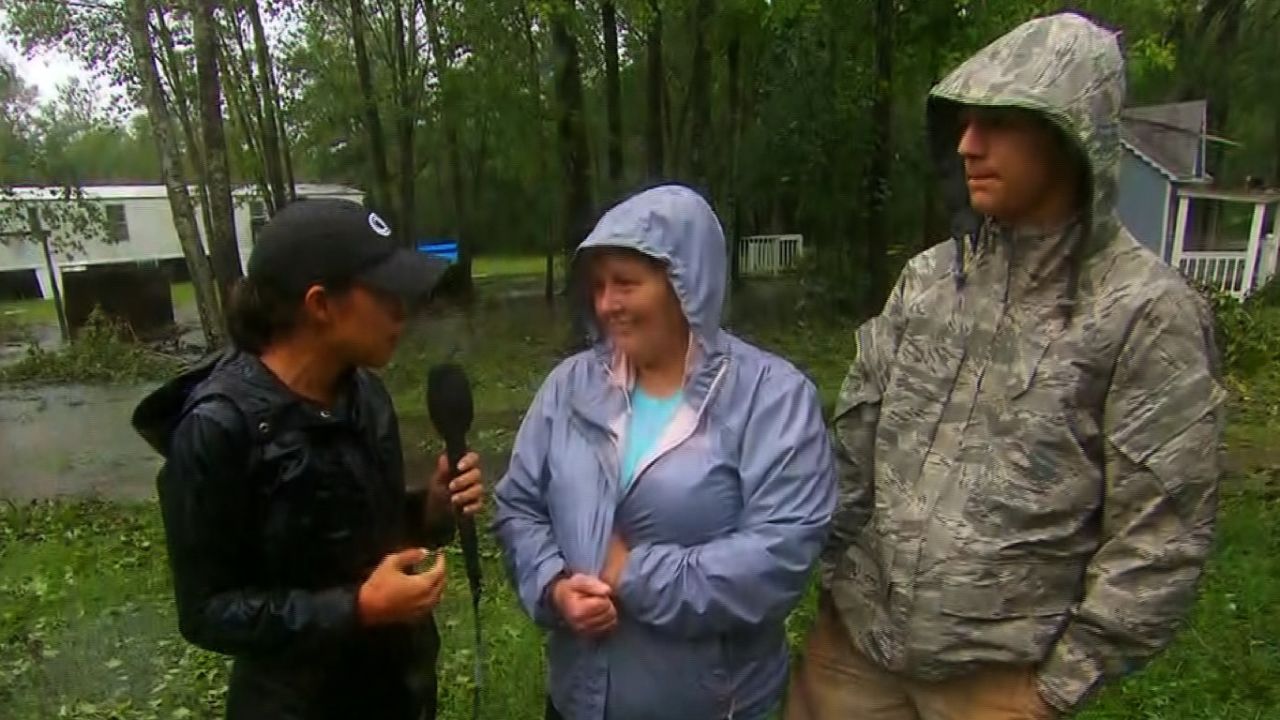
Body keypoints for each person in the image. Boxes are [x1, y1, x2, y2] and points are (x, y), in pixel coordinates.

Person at [786, 12, 1226, 720]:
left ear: (1070, 133)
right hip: (855, 652)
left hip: (1000, 682)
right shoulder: (929, 280)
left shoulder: (1144, 311)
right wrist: (833, 582)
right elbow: (854, 447)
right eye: (962, 122)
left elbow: (1162, 531)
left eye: (998, 123)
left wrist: (1059, 687)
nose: (967, 145)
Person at [492, 183, 837, 720]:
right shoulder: (570, 387)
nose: (608, 304)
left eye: (627, 284)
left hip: (710, 704)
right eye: (599, 285)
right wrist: (556, 587)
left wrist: (632, 574)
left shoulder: (771, 398)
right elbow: (519, 505)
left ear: (687, 283)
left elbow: (778, 556)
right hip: (579, 700)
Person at [132, 198, 485, 720]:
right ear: (320, 305)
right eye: (385, 294)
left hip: (394, 694)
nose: (402, 311)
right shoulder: (216, 429)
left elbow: (358, 534)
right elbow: (207, 611)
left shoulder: (366, 395)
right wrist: (357, 609)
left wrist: (427, 512)